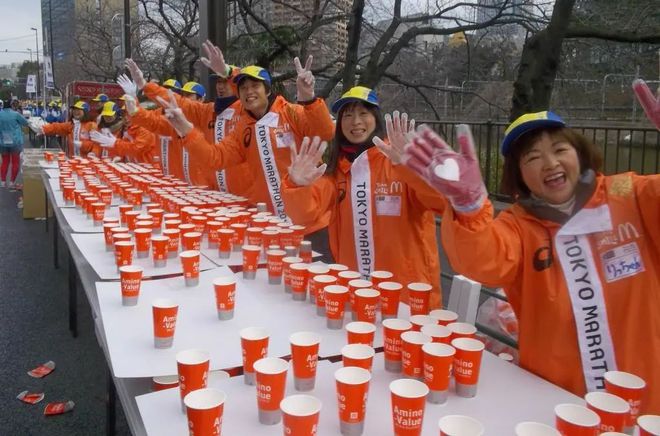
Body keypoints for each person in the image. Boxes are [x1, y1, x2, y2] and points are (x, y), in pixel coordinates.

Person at [403, 111, 659, 413]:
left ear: (580, 153)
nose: (550, 163)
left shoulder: (631, 195)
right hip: (555, 402)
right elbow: (481, 261)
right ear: (519, 174)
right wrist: (469, 207)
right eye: (533, 158)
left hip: (646, 401)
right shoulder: (519, 225)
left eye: (560, 149)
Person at [281, 87, 447, 306]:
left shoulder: (398, 160)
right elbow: (305, 214)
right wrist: (297, 185)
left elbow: (442, 203)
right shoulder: (336, 172)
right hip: (355, 291)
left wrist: (415, 168)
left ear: (375, 118)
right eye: (347, 115)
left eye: (363, 114)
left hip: (408, 297)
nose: (355, 121)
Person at [157, 58, 335, 222]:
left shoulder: (291, 113)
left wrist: (310, 98)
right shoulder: (243, 128)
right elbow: (215, 158)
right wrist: (186, 130)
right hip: (269, 219)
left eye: (255, 85)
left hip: (309, 216)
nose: (249, 91)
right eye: (243, 88)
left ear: (267, 89)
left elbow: (326, 132)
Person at [124, 42, 251, 194]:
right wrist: (145, 86)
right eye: (218, 82)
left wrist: (228, 72)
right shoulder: (206, 112)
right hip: (210, 191)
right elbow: (169, 109)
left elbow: (249, 92)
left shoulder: (246, 112)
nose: (220, 86)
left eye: (224, 81)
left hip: (243, 194)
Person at [89, 101, 155, 162]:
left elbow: (136, 148)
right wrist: (94, 153)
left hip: (146, 168)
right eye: (124, 115)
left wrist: (115, 145)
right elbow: (122, 150)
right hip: (131, 166)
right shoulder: (127, 129)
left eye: (129, 114)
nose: (126, 118)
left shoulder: (144, 129)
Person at [0, 99, 28, 189]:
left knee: (5, 162)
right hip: (15, 142)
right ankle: (12, 182)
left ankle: (3, 181)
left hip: (3, 142)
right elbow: (25, 123)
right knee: (15, 162)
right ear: (11, 106)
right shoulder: (15, 114)